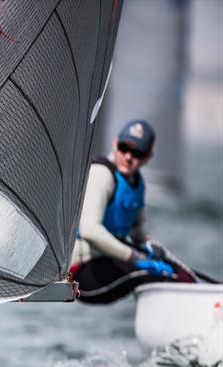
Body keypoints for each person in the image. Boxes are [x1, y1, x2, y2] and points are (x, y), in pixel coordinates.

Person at [69, 120, 195, 303]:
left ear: (148, 156)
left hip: (111, 262)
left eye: (137, 152)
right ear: (115, 144)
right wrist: (134, 257)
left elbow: (137, 234)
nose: (128, 156)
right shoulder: (102, 174)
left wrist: (151, 246)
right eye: (124, 148)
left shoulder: (137, 184)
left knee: (178, 275)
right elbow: (90, 230)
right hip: (81, 274)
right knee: (149, 273)